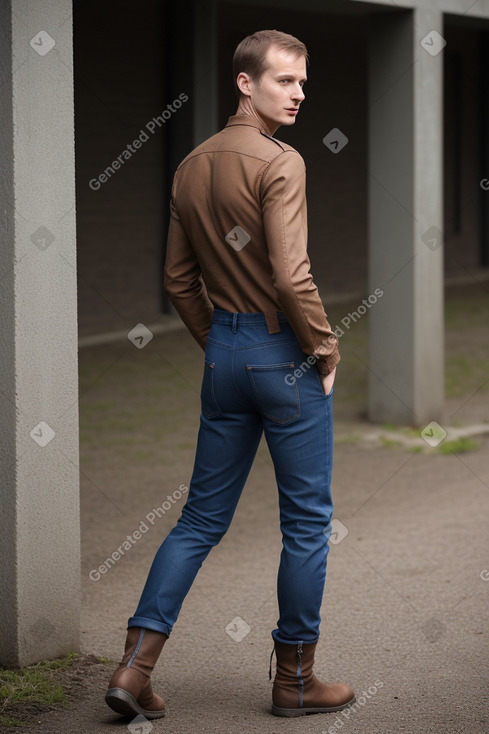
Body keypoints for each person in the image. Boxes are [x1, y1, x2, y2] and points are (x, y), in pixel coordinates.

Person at [105, 29, 355, 720]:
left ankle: (132, 669)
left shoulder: (189, 165)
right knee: (306, 523)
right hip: (285, 355)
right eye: (284, 80)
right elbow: (290, 273)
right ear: (244, 82)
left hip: (224, 353)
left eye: (303, 82)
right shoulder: (281, 161)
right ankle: (295, 682)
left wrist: (219, 342)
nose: (299, 93)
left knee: (197, 520)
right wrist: (326, 351)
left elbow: (177, 280)